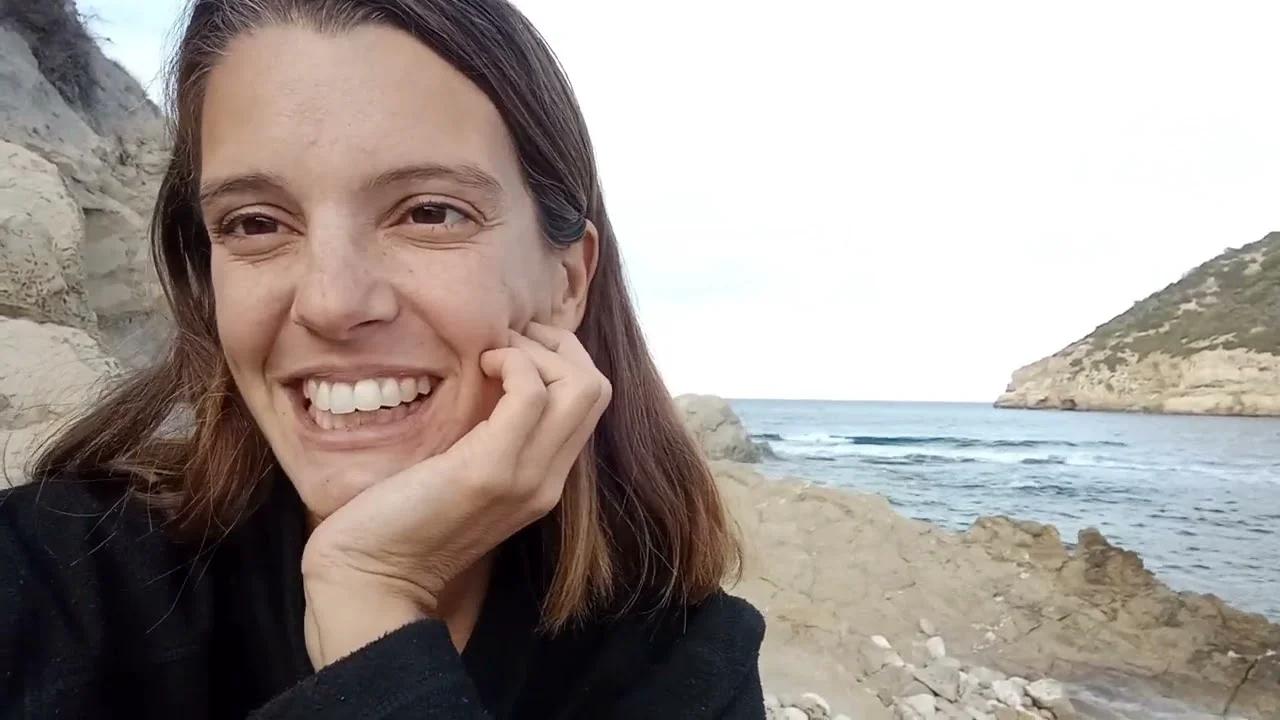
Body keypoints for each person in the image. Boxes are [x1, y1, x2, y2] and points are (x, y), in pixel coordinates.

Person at [0, 0, 765, 717]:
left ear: (566, 281)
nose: (331, 303)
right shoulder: (52, 580)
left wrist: (369, 601)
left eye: (430, 212)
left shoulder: (684, 666)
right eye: (256, 222)